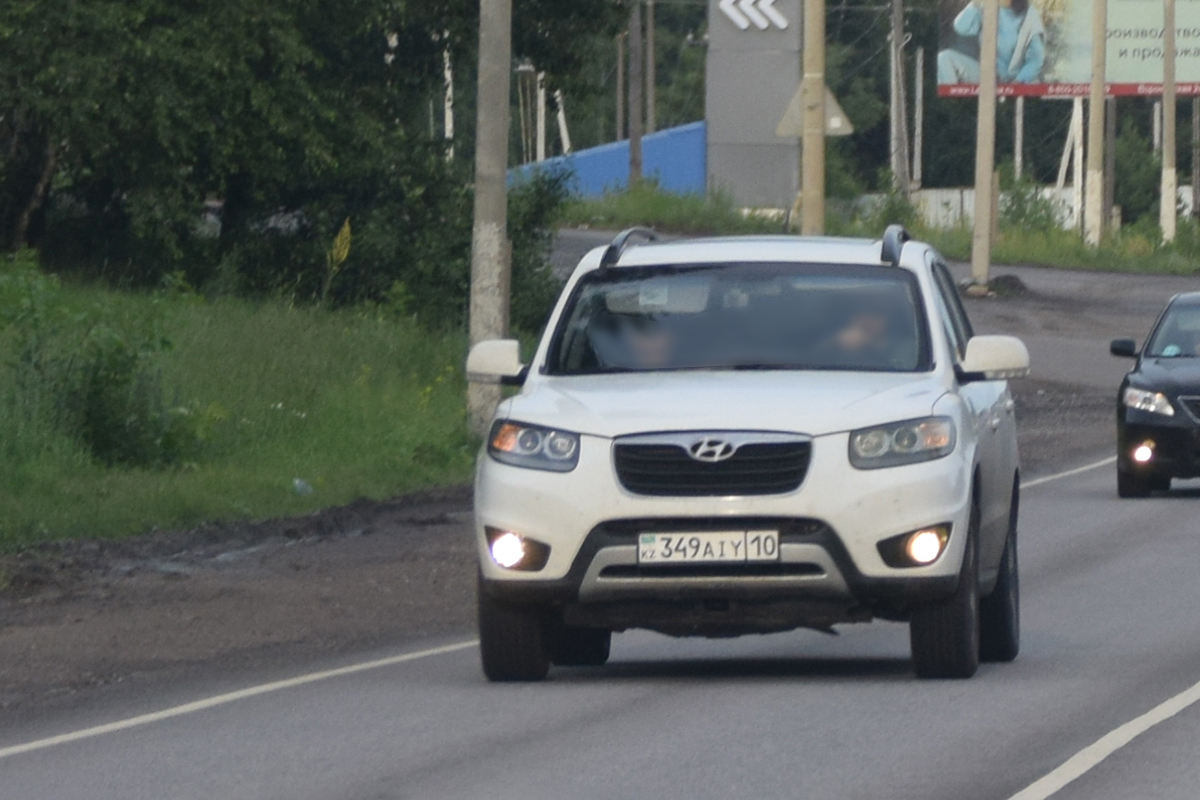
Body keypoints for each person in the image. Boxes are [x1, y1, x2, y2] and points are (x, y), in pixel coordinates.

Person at [937, 0, 1045, 85]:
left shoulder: (1029, 14)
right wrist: (975, 3)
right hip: (988, 75)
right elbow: (960, 27)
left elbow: (1036, 59)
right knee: (944, 58)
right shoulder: (986, 7)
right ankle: (955, 108)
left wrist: (1018, 82)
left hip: (1017, 79)